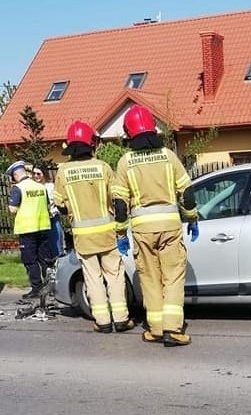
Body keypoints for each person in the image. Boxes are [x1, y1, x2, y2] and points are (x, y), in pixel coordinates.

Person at [111, 104, 199, 347]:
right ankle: (173, 329)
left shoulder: (125, 162)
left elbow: (119, 204)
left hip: (141, 230)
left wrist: (120, 233)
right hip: (170, 228)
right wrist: (191, 218)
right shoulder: (169, 156)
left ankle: (157, 329)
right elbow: (187, 192)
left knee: (149, 278)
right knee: (172, 277)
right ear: (152, 129)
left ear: (129, 134)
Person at [54, 120, 135, 333]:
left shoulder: (63, 172)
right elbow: (118, 199)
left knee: (93, 278)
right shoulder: (103, 167)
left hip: (83, 237)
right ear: (91, 143)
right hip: (107, 234)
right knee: (115, 276)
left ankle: (103, 321)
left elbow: (60, 205)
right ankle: (121, 319)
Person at [6, 160, 52, 299]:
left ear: (15, 175)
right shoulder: (40, 187)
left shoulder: (18, 188)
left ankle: (36, 288)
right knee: (44, 259)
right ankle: (50, 286)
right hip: (43, 227)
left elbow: (12, 210)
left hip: (27, 229)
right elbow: (48, 205)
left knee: (30, 261)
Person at [32, 165, 64, 258]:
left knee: (56, 245)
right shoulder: (32, 188)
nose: (36, 176)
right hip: (39, 220)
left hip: (52, 218)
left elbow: (57, 202)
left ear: (44, 174)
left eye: (38, 173)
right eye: (34, 173)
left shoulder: (50, 186)